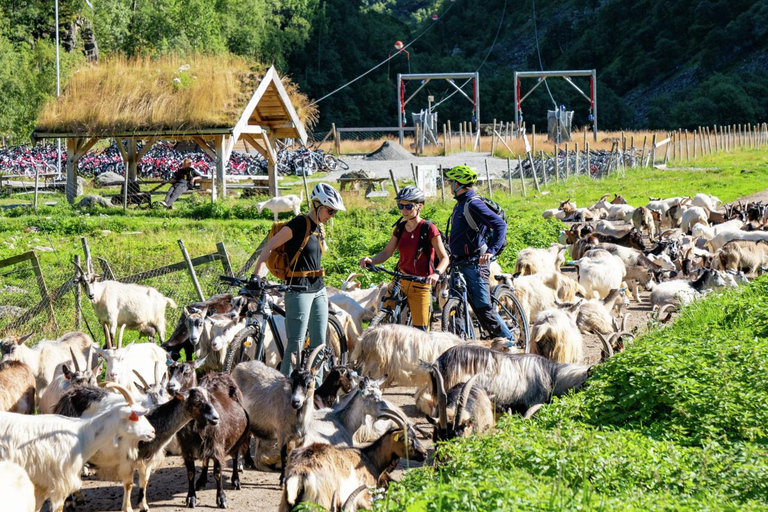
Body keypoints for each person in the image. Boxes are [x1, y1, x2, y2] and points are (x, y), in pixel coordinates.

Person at [254, 183, 345, 378]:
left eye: (334, 212)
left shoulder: (318, 227)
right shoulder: (299, 223)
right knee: (295, 344)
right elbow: (270, 245)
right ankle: (283, 390)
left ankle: (317, 392)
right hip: (298, 290)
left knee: (319, 343)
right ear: (317, 205)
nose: (332, 216)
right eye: (330, 211)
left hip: (319, 289)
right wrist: (258, 272)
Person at [358, 186, 449, 331]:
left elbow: (444, 258)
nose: (403, 210)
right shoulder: (400, 228)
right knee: (384, 316)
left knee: (421, 332)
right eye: (401, 205)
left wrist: (436, 274)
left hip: (421, 283)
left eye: (408, 206)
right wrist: (371, 260)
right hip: (400, 280)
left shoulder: (429, 228)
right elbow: (386, 252)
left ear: (419, 206)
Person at [443, 165, 514, 342]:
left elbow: (500, 225)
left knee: (483, 307)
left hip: (476, 262)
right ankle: (461, 343)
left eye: (451, 182)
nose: (449, 185)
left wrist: (491, 251)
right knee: (456, 305)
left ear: (458, 184)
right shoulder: (460, 204)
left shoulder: (473, 203)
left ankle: (510, 340)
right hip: (459, 262)